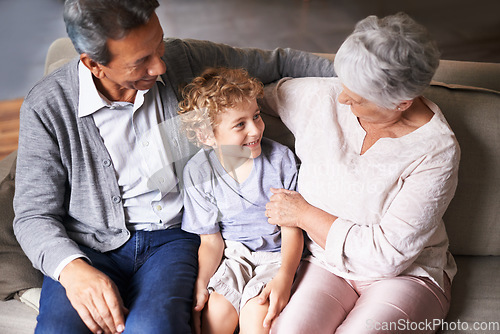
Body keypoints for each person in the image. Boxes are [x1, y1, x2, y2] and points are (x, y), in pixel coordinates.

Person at [12, 0, 334, 333]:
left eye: (159, 45)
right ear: (94, 65)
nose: (160, 67)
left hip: (171, 241)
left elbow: (278, 61)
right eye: (142, 61)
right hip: (87, 247)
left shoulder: (183, 60)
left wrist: (364, 82)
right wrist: (72, 268)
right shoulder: (47, 106)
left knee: (155, 328)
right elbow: (33, 215)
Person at [263, 12, 460, 334]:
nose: (342, 98)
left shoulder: (436, 150)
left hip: (406, 275)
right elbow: (240, 96)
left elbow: (387, 257)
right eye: (344, 85)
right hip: (324, 264)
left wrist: (304, 214)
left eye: (357, 100)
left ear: (402, 103)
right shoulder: (323, 96)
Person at [178, 67, 303, 334]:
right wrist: (201, 283)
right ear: (207, 136)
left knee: (256, 317)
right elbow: (211, 241)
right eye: (240, 124)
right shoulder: (199, 172)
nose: (255, 130)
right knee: (216, 317)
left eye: (256, 116)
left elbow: (292, 230)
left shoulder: (280, 160)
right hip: (234, 258)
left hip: (276, 258)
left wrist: (285, 276)